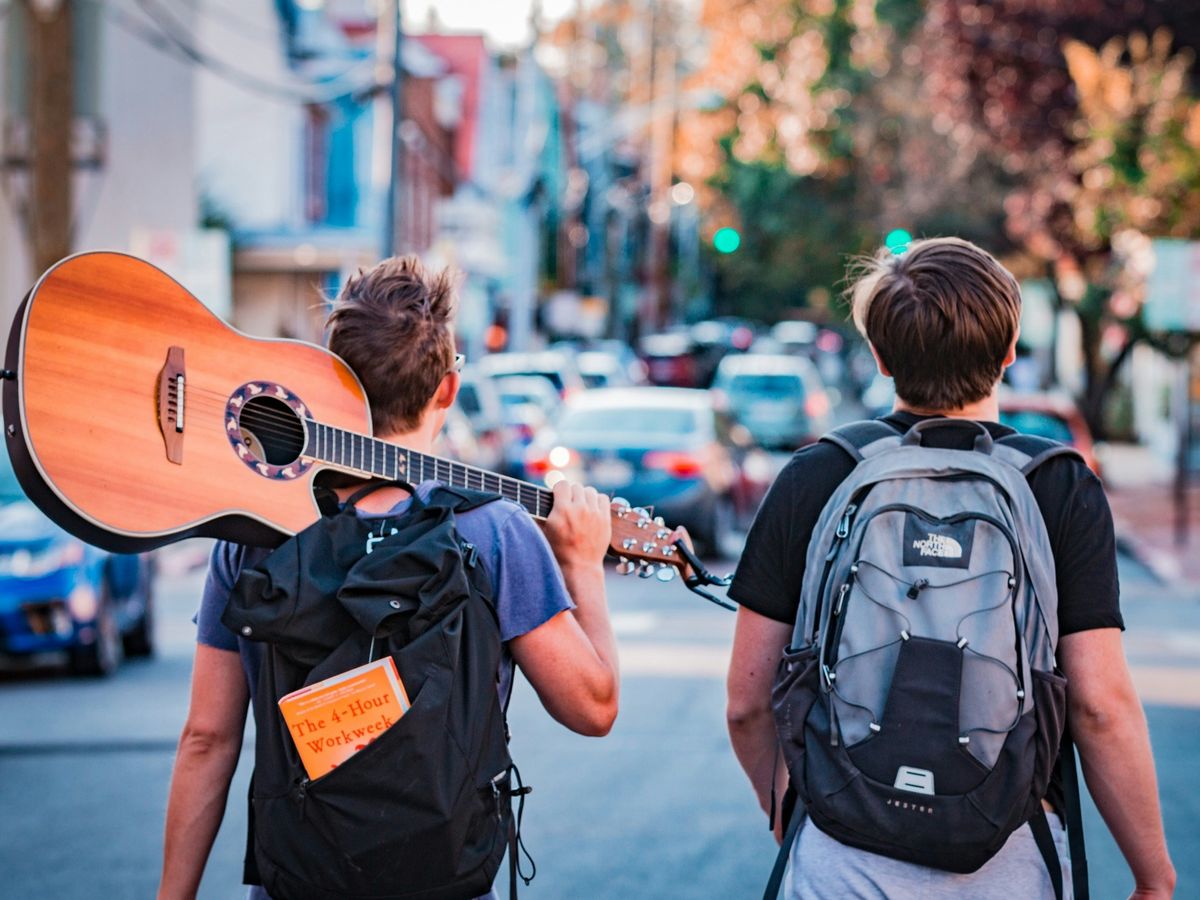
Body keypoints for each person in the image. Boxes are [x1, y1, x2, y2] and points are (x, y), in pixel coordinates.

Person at [158, 256, 621, 899]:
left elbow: (208, 738)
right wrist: (582, 565)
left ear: (324, 377)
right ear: (447, 393)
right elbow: (593, 708)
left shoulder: (255, 532)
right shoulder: (493, 533)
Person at [726, 237, 1176, 899]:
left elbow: (746, 706)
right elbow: (1100, 706)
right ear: (1009, 350)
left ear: (880, 356)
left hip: (841, 865)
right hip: (1008, 862)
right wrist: (1153, 878)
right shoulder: (1057, 486)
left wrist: (796, 815)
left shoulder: (818, 476)